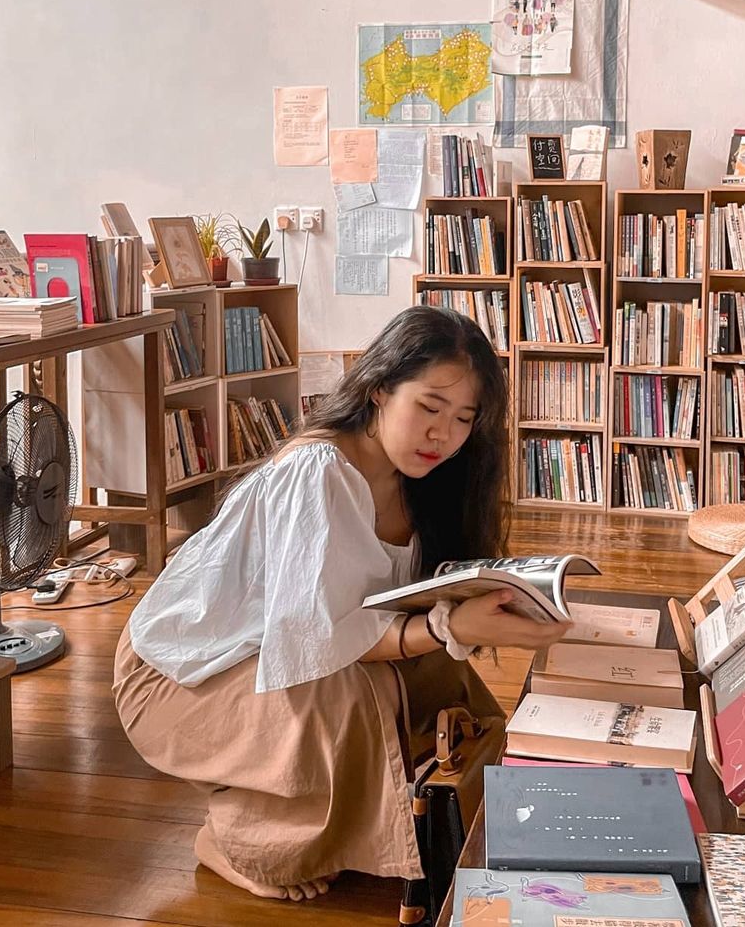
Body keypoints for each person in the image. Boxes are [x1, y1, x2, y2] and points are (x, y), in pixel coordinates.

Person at [113, 305, 568, 902]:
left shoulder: (420, 480)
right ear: (379, 387)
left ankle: (357, 808)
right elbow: (317, 643)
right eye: (429, 407)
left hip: (270, 655)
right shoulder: (318, 472)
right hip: (175, 677)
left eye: (464, 419)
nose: (444, 434)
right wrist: (449, 623)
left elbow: (381, 612)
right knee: (357, 689)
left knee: (436, 671)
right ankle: (239, 841)